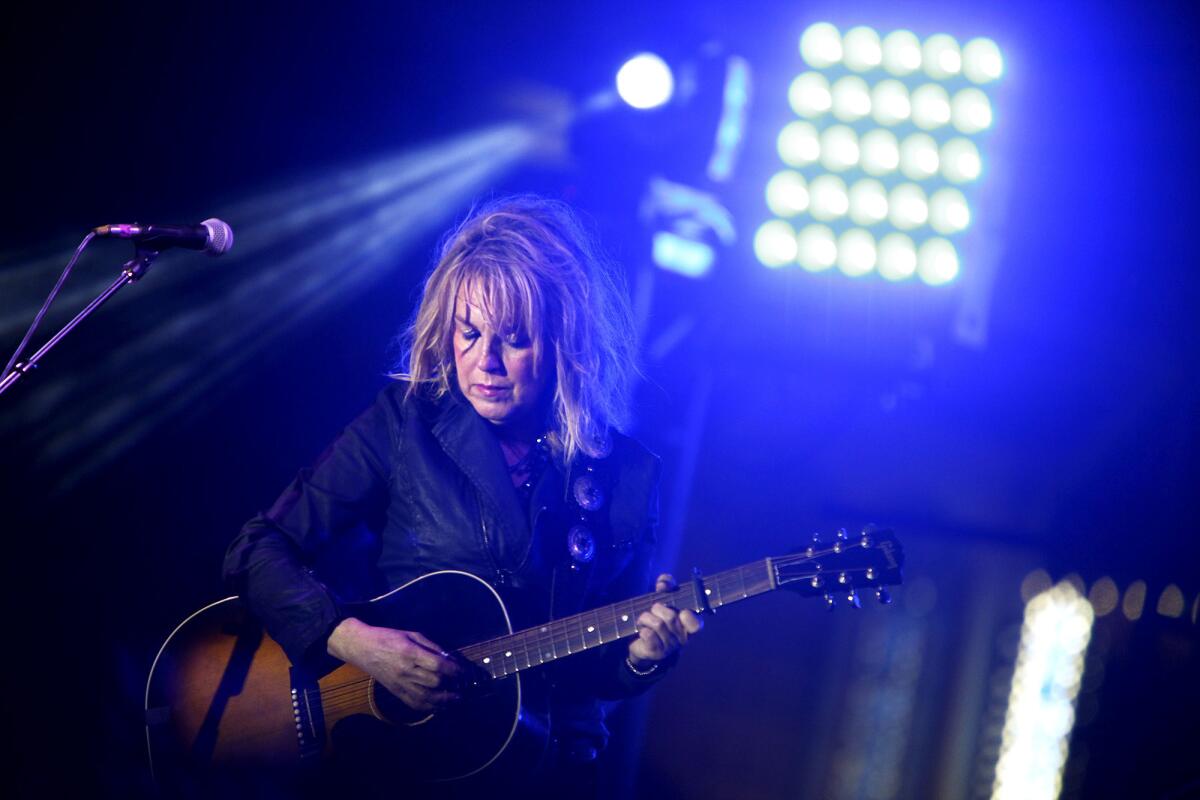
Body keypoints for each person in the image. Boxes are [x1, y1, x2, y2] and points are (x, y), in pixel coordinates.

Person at [223, 195, 702, 796]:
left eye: (514, 339)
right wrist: (354, 640)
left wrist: (644, 658)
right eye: (468, 333)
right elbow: (257, 549)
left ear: (564, 341)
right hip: (401, 765)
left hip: (542, 773)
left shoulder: (627, 476)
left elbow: (598, 662)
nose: (486, 362)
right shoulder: (405, 423)